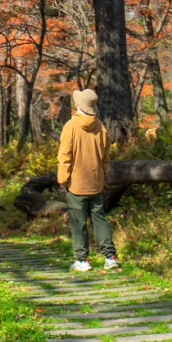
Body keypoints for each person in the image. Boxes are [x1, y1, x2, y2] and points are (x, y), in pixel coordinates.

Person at [57, 87, 120, 273]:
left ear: (78, 105)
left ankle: (82, 259)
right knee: (100, 219)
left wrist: (63, 179)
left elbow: (65, 155)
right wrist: (103, 175)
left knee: (78, 222)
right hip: (96, 182)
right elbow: (105, 157)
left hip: (76, 183)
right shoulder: (101, 127)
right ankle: (110, 257)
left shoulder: (71, 126)